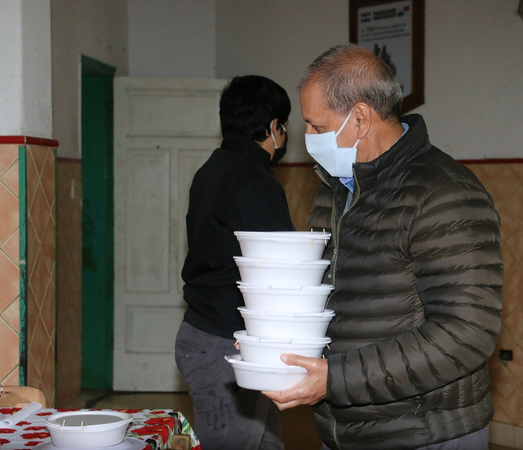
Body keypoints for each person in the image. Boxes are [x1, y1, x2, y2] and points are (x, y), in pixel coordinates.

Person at [263, 44, 503, 450]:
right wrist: (270, 339)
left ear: (359, 118)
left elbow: (466, 332)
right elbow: (328, 299)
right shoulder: (333, 190)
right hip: (346, 428)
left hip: (424, 433)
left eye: (317, 127)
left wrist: (336, 379)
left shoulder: (442, 192)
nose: (310, 140)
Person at [175, 75, 294, 450]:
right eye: (285, 127)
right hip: (227, 346)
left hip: (208, 335)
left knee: (266, 442)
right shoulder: (255, 181)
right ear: (274, 127)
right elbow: (284, 269)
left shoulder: (211, 170)